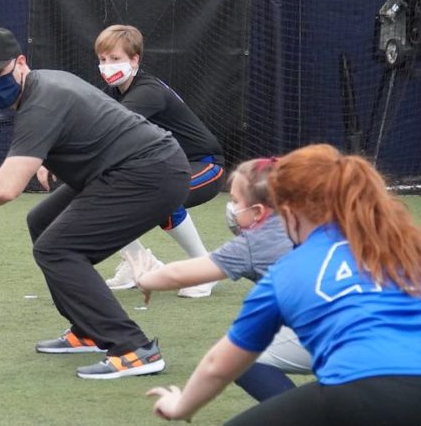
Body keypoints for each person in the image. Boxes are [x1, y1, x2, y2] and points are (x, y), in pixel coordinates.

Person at [0, 27, 191, 379]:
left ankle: (134, 349)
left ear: (21, 63)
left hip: (151, 173)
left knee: (57, 249)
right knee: (42, 222)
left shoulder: (41, 101)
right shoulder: (41, 86)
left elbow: (5, 188)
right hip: (121, 169)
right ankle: (88, 330)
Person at [147, 144, 421, 424]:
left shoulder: (287, 269)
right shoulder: (409, 246)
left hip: (366, 391)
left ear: (289, 211)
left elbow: (220, 364)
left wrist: (181, 407)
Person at [125, 157, 312, 401]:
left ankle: (298, 415)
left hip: (334, 329)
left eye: (235, 201)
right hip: (371, 318)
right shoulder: (317, 217)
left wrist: (144, 278)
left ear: (257, 211)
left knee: (237, 357)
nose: (231, 208)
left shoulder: (254, 245)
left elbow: (178, 274)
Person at [94, 25, 225, 297]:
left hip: (206, 166)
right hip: (168, 168)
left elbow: (105, 129)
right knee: (102, 192)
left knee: (161, 194)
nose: (107, 66)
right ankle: (137, 263)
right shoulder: (116, 91)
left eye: (115, 59)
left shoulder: (147, 91)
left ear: (135, 60)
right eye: (103, 60)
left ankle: (206, 269)